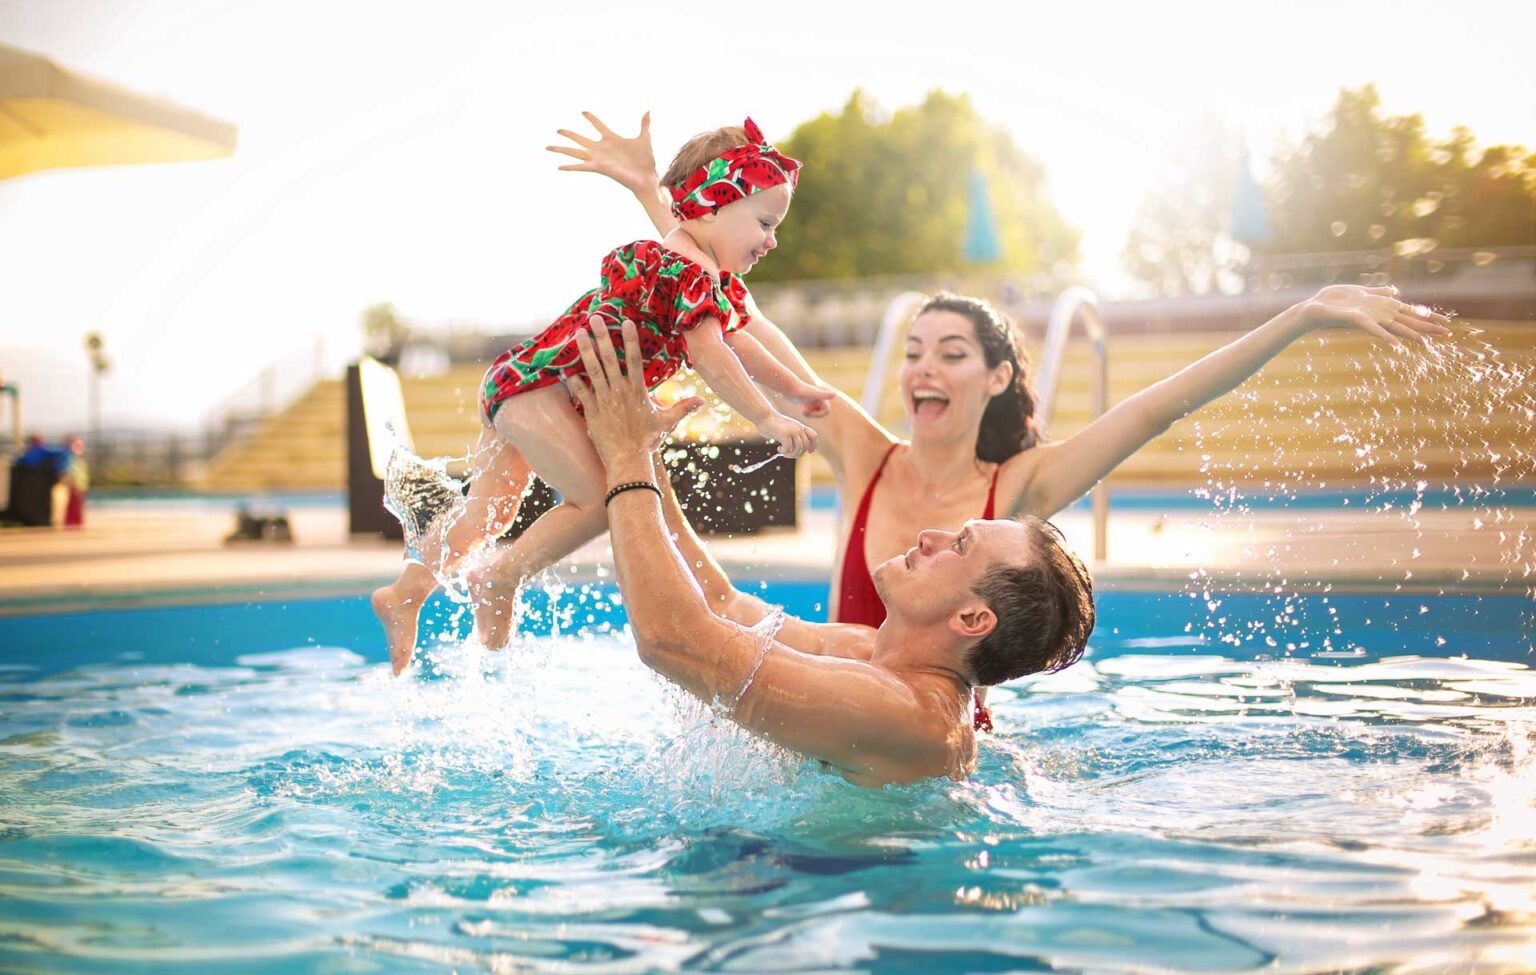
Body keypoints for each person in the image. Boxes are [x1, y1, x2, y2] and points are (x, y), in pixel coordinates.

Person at [535, 111, 1454, 727]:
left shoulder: (1017, 498)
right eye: (915, 350)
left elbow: (1157, 406)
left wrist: (1298, 317)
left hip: (883, 728)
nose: (923, 367)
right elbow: (726, 303)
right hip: (832, 692)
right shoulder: (869, 455)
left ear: (998, 376)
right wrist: (658, 198)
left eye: (950, 353)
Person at [372, 118, 833, 674]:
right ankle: (498, 579)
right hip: (542, 389)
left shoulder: (701, 275)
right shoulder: (683, 271)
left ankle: (406, 591)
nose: (772, 239)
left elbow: (739, 342)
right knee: (599, 502)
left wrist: (798, 389)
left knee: (491, 512)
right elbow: (714, 356)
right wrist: (766, 417)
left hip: (523, 383)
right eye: (763, 222)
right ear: (711, 206)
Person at [570, 318, 1095, 786]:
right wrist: (642, 446)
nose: (929, 537)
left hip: (825, 884)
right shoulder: (868, 653)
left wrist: (625, 457)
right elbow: (721, 607)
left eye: (959, 545)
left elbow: (673, 641)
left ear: (974, 617)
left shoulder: (906, 715)